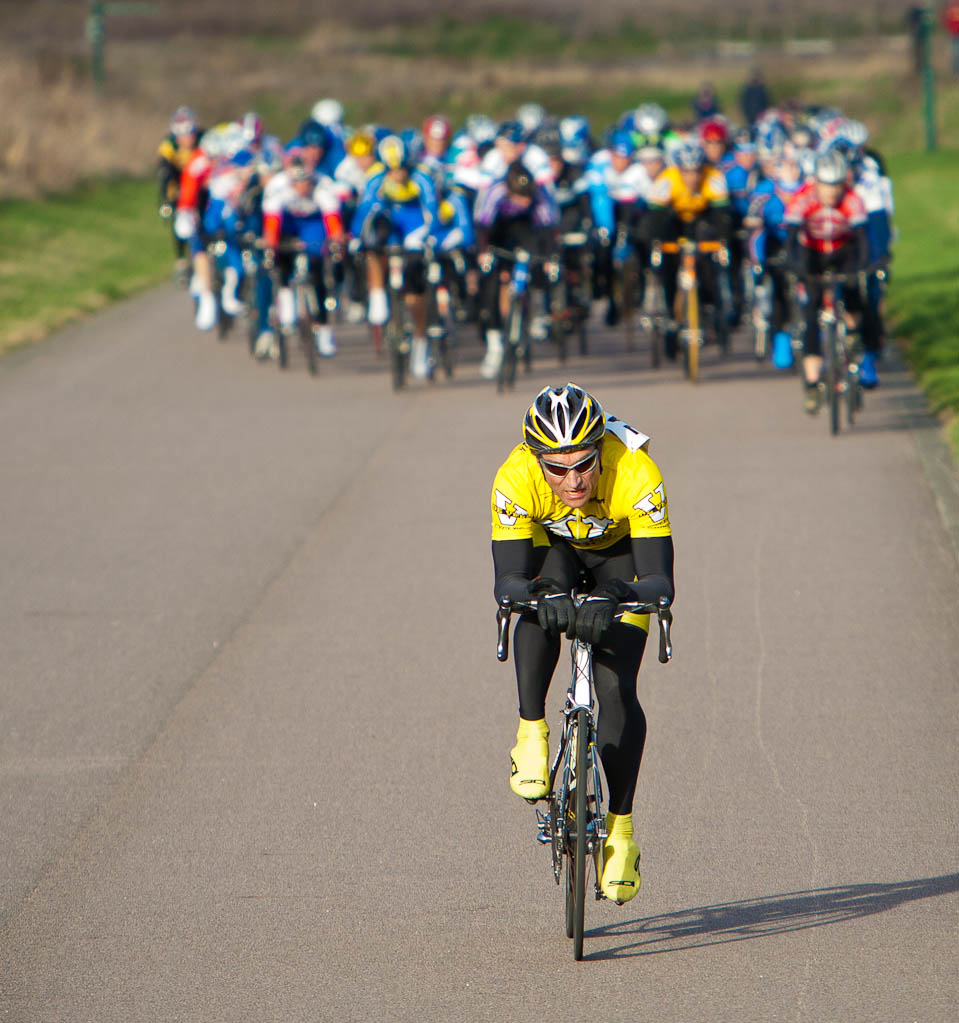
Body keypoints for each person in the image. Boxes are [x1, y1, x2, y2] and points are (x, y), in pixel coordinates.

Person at [490, 383, 675, 904]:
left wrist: (618, 594)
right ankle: (531, 730)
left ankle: (620, 829)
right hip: (555, 550)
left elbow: (660, 582)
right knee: (538, 602)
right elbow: (507, 581)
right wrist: (538, 597)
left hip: (620, 559)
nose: (572, 481)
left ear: (601, 450)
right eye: (557, 468)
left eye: (584, 464)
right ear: (535, 460)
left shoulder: (636, 471)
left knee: (616, 691)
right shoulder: (515, 477)